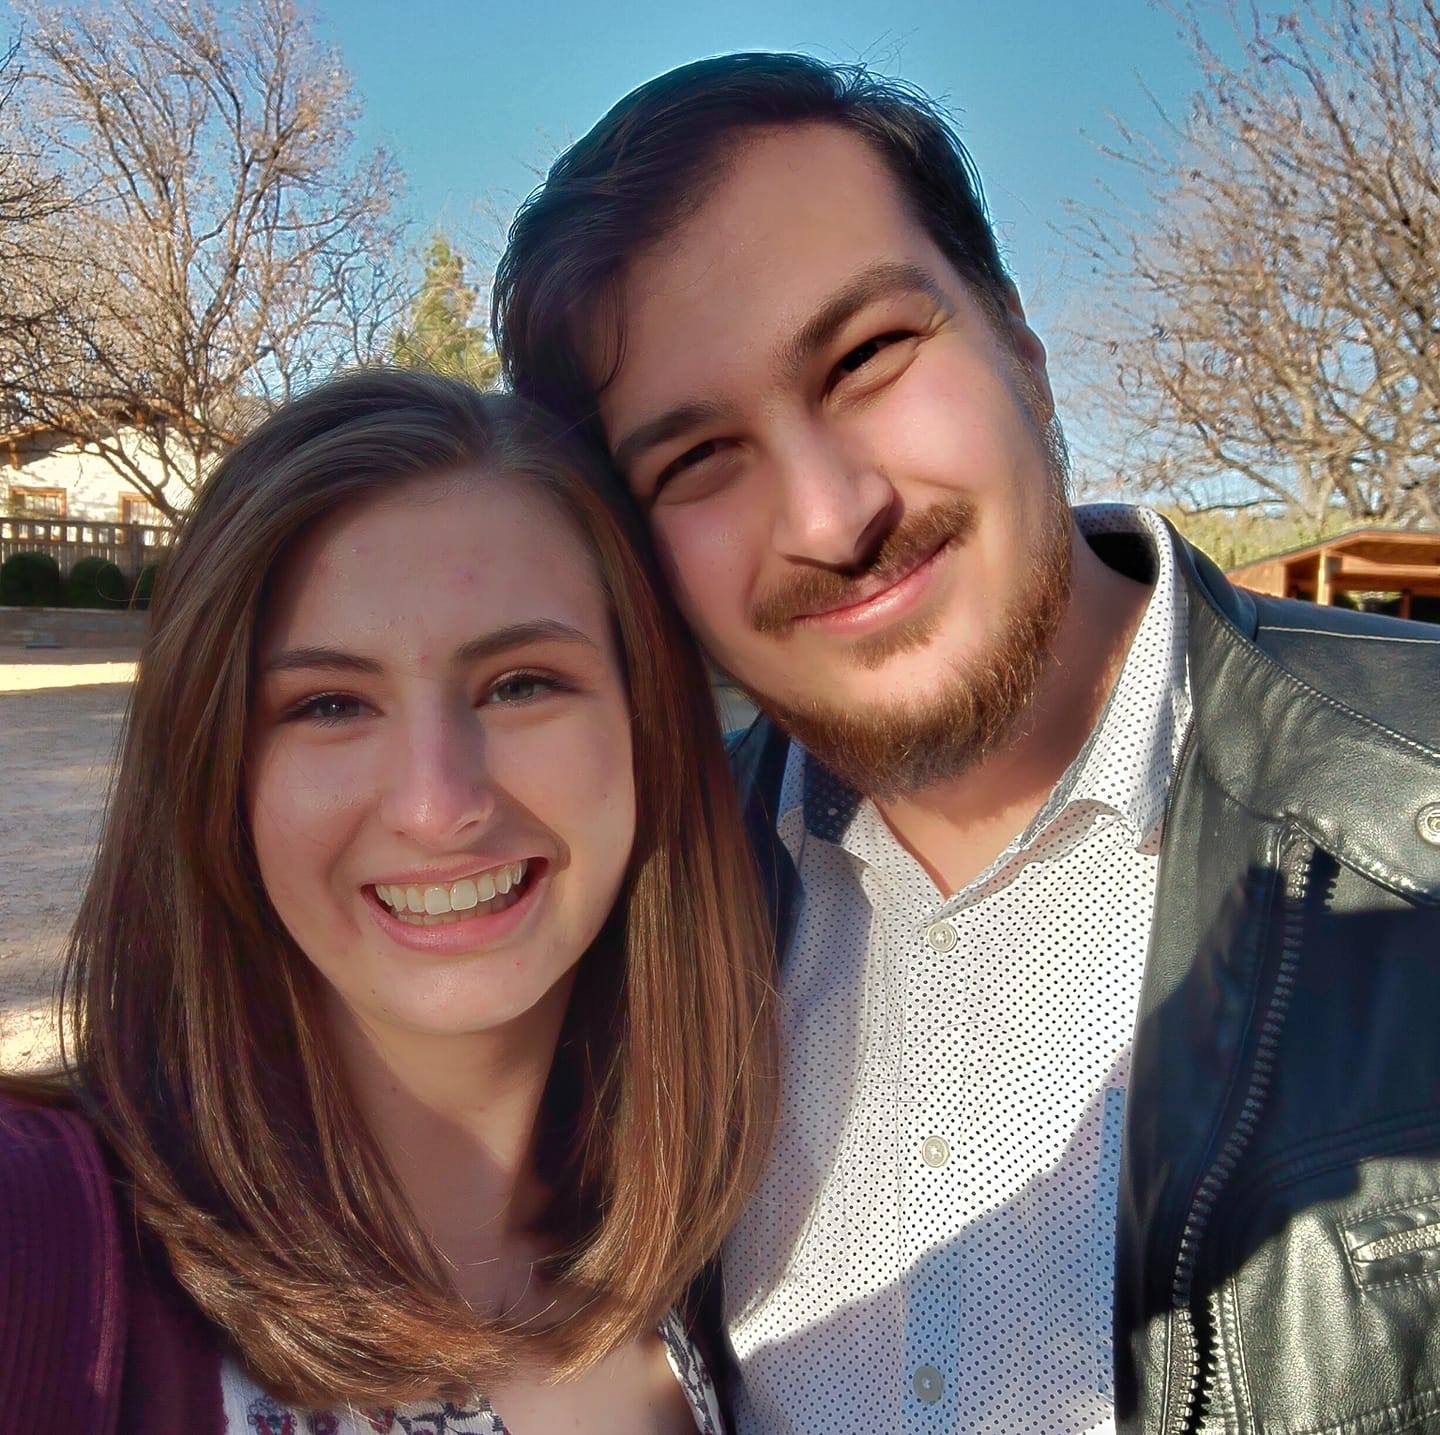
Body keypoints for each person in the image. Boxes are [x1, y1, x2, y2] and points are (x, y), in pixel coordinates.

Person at [491, 51, 1440, 1435]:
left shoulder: (1414, 804)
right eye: (697, 459)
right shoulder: (633, 933)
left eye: (867, 357)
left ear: (1020, 344)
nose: (831, 517)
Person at [0, 369, 775, 1432]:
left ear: (651, 728)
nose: (436, 804)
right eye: (329, 704)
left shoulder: (720, 1252)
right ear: (213, 771)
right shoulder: (41, 1242)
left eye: (521, 683)